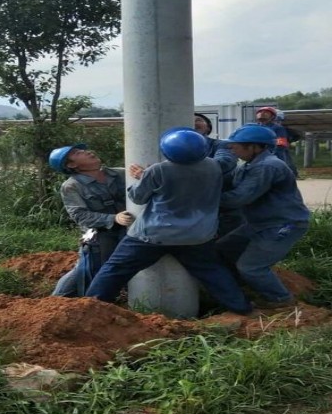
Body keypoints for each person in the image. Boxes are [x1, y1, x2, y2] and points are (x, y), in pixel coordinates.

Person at [86, 128, 253, 315]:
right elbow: (226, 159)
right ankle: (242, 308)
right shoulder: (213, 166)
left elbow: (138, 197)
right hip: (197, 235)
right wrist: (223, 144)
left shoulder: (158, 170)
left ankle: (91, 308)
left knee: (116, 268)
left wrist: (143, 178)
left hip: (155, 235)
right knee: (213, 272)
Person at [215, 124, 311, 309]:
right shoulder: (250, 165)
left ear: (254, 147)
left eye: (236, 145)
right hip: (260, 223)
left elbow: (239, 198)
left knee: (252, 267)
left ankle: (281, 300)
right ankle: (245, 287)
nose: (231, 148)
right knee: (224, 249)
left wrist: (200, 198)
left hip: (284, 225)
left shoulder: (267, 166)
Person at [49, 144, 132, 297]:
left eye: (83, 150)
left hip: (128, 230)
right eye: (77, 153)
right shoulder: (72, 186)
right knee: (89, 271)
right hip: (101, 234)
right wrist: (113, 218)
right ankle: (56, 300)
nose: (86, 152)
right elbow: (80, 216)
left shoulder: (119, 174)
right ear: (71, 165)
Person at [194, 112, 243, 236]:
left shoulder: (222, 144)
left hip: (221, 208)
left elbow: (225, 163)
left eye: (198, 120)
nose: (194, 122)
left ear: (208, 128)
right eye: (189, 119)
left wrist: (185, 170)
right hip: (190, 208)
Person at [255, 106, 298, 176]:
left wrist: (273, 156)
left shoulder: (277, 128)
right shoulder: (254, 127)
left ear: (272, 117)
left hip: (274, 154)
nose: (262, 114)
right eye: (261, 113)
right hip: (257, 155)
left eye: (266, 113)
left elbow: (281, 144)